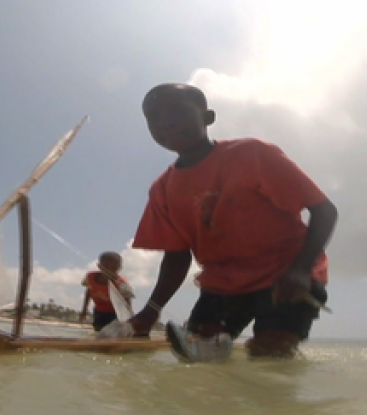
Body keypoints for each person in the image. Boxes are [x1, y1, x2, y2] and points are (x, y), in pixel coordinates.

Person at [115, 83, 338, 360]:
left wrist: (301, 271)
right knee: (195, 359)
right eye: (154, 117)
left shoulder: (252, 155)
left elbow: (324, 211)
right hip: (222, 286)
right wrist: (151, 310)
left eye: (177, 111)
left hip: (286, 276)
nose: (165, 121)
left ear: (208, 118)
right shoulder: (162, 189)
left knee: (269, 358)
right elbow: (176, 256)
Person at [78, 251, 134, 332]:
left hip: (116, 313)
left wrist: (131, 321)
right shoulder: (90, 277)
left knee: (114, 334)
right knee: (98, 331)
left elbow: (128, 303)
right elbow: (89, 291)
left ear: (119, 268)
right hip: (99, 311)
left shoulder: (122, 284)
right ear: (99, 266)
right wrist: (84, 310)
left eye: (114, 268)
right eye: (106, 267)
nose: (110, 271)